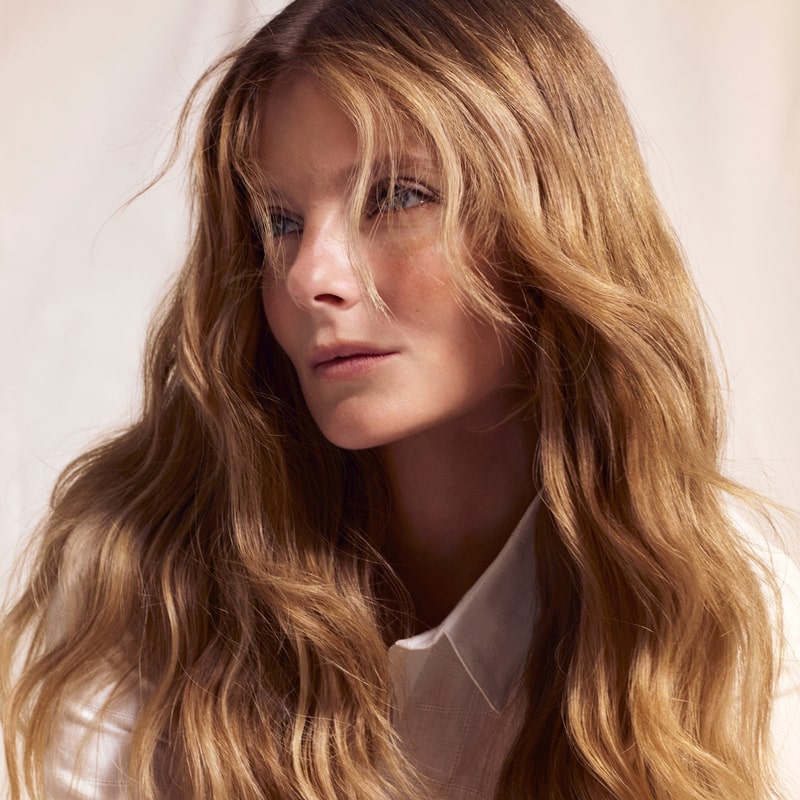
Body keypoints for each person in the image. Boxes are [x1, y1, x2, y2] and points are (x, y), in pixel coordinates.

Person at [1, 0, 798, 798]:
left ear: (555, 219)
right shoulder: (151, 579)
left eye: (395, 197)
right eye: (280, 220)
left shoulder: (725, 616)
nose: (309, 276)